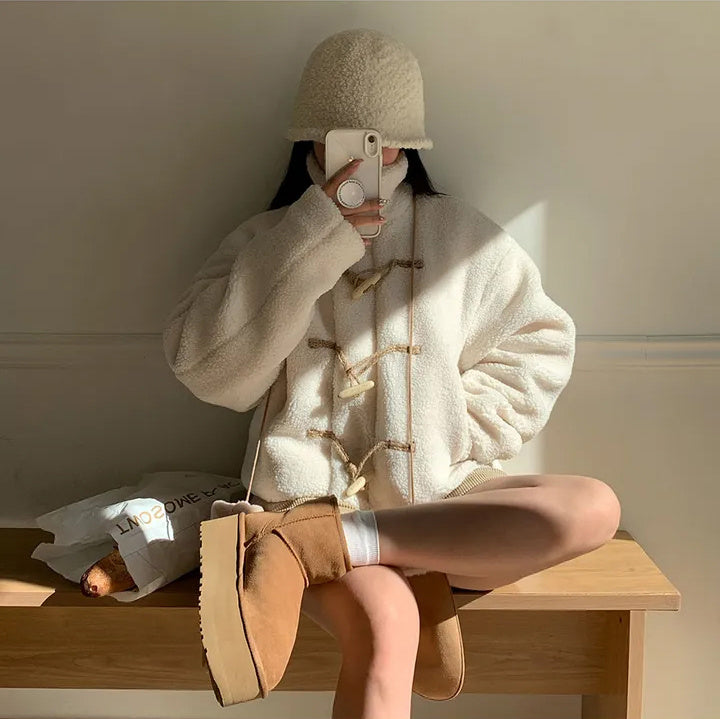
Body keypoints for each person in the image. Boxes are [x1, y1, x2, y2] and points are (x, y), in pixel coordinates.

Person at [163, 28, 621, 717]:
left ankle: (328, 545)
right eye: (345, 140)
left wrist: (452, 428)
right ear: (311, 140)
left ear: (410, 145)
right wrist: (316, 236)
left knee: (593, 507)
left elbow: (540, 343)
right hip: (305, 502)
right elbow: (209, 372)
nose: (366, 159)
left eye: (385, 143)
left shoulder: (461, 237)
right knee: (390, 624)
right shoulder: (267, 242)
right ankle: (315, 537)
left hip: (435, 504)